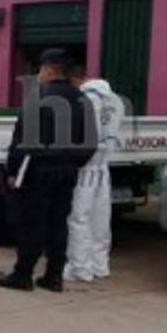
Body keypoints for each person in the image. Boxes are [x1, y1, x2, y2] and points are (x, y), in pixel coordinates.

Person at [0, 49, 98, 294]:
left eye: (41, 69)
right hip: (67, 172)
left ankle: (23, 274)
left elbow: (21, 139)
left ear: (50, 70)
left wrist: (13, 171)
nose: (38, 74)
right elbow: (90, 142)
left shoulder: (37, 98)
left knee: (32, 223)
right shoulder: (83, 100)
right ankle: (54, 276)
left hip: (38, 171)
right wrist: (74, 163)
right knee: (58, 223)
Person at [65, 66, 125, 282]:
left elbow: (83, 136)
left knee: (79, 218)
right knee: (101, 217)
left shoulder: (85, 100)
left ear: (76, 80)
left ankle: (79, 268)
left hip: (86, 167)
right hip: (103, 166)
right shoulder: (115, 100)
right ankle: (100, 265)